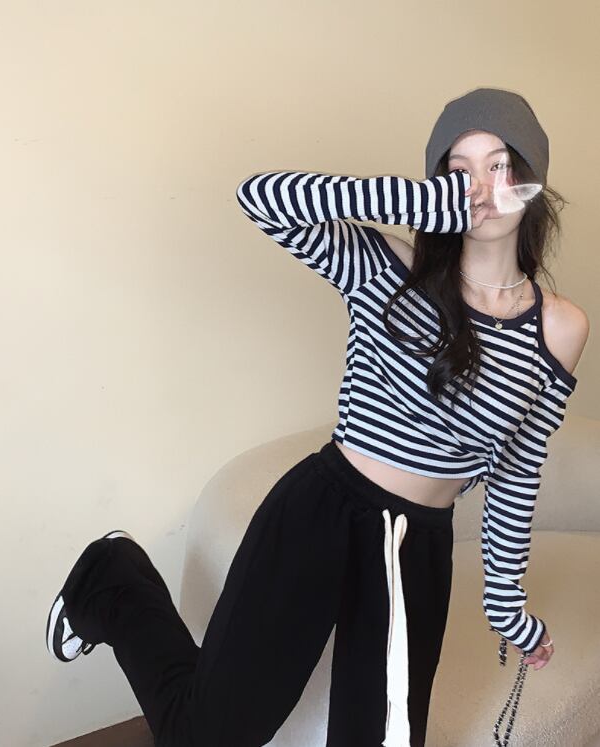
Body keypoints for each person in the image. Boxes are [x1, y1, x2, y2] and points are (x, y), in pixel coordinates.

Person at [46, 87, 588, 747]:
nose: (478, 188)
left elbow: (518, 467)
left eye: (500, 165)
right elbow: (262, 198)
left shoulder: (560, 327)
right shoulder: (387, 268)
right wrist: (423, 204)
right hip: (321, 515)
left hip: (418, 548)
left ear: (532, 178)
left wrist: (505, 604)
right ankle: (111, 579)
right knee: (207, 734)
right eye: (458, 170)